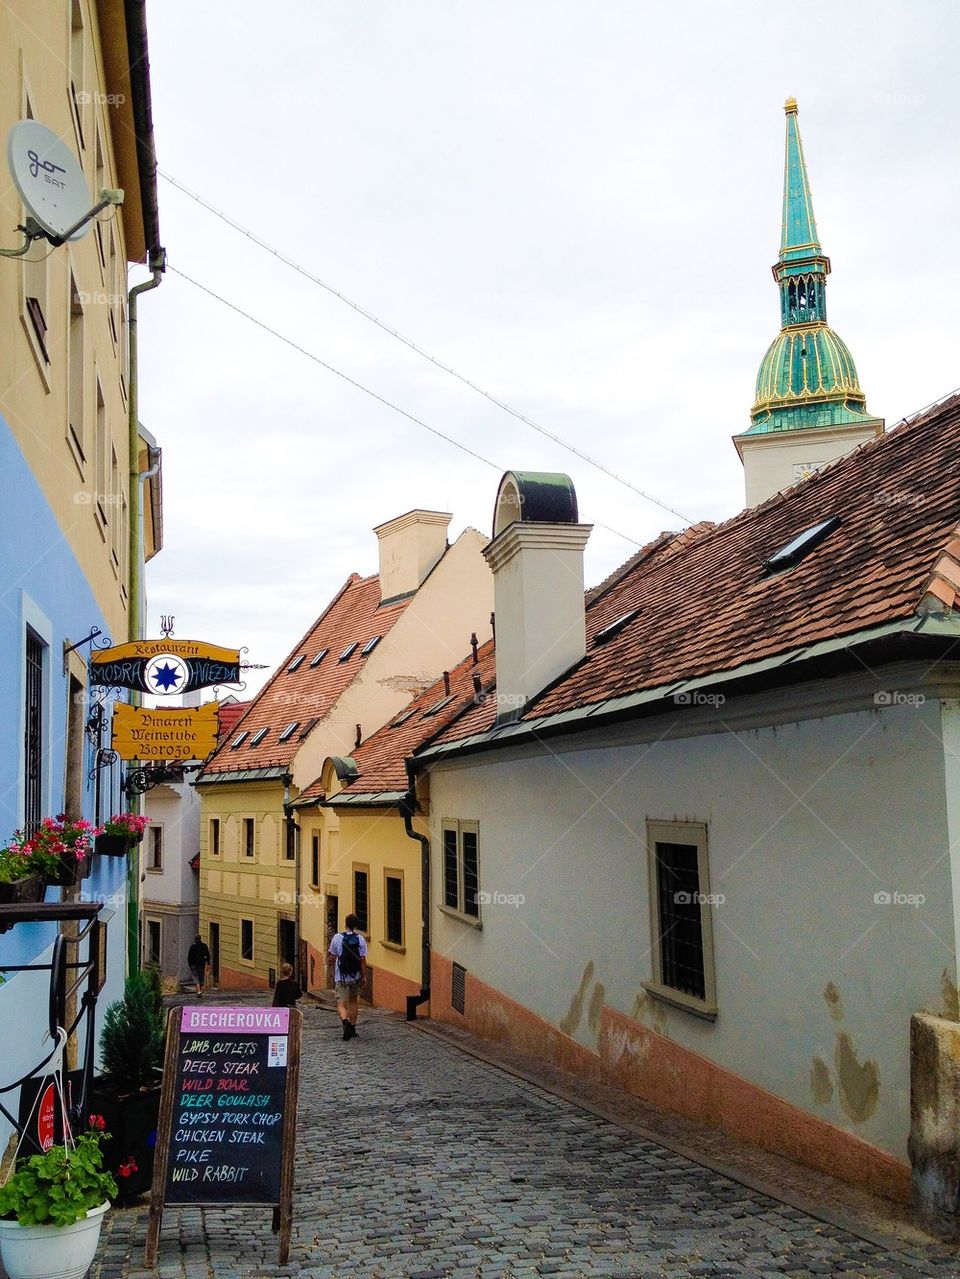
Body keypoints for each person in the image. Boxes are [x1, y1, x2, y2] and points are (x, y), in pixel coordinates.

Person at [327, 914, 367, 1040]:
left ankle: (345, 1023)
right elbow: (362, 960)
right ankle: (352, 1028)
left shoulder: (337, 938)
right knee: (354, 1001)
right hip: (355, 976)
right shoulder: (360, 939)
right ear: (356, 925)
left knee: (341, 1004)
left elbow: (333, 957)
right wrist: (364, 976)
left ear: (345, 923)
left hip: (341, 976)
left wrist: (333, 971)